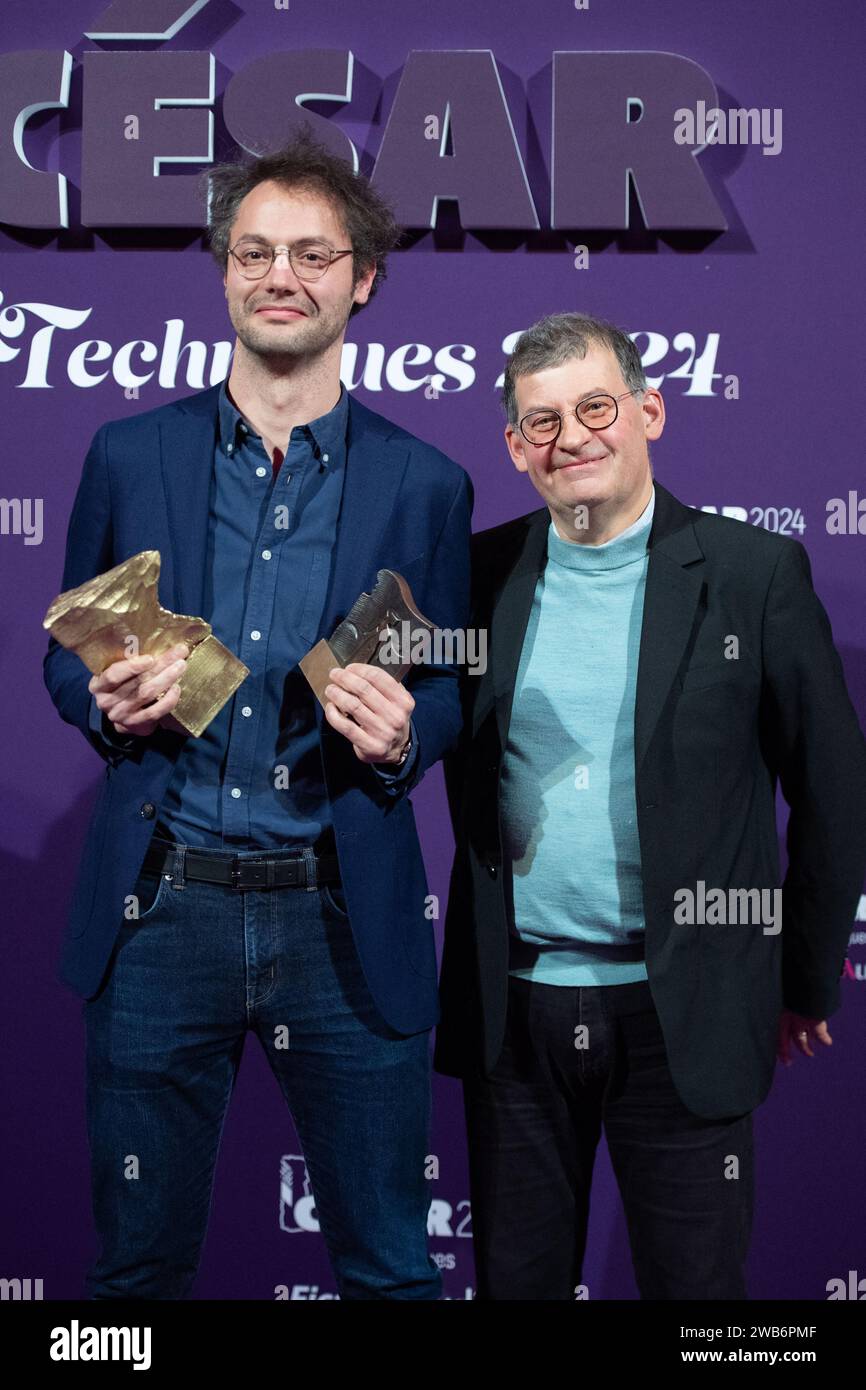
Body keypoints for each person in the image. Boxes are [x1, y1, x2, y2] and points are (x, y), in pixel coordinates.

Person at [44, 130, 472, 1301]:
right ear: (225, 271)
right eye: (254, 252)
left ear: (361, 278)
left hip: (340, 917)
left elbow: (446, 688)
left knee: (390, 1267)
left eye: (312, 254)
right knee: (133, 1273)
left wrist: (401, 735)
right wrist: (105, 701)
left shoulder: (426, 484)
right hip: (158, 910)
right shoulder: (128, 453)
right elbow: (67, 656)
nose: (280, 275)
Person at [435, 311, 866, 1300]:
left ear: (648, 412)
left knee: (697, 1300)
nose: (571, 436)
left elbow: (833, 792)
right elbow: (352, 698)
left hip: (687, 1012)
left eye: (595, 407)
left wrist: (798, 980)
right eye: (540, 422)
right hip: (516, 1012)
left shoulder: (753, 575)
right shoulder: (474, 574)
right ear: (513, 447)